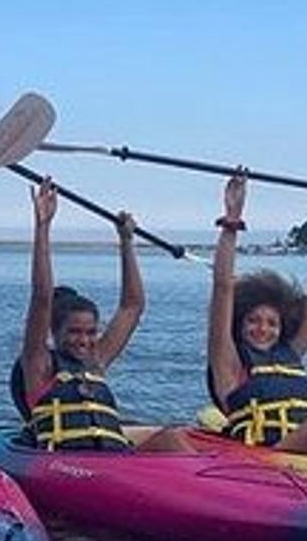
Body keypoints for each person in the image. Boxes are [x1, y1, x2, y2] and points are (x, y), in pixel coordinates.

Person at [11, 181, 195, 453]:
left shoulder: (96, 362)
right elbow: (41, 298)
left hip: (114, 461)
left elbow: (132, 306)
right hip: (68, 464)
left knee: (172, 439)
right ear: (55, 331)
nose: (84, 340)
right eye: (74, 332)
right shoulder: (38, 365)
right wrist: (43, 227)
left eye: (90, 332)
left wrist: (126, 241)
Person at [203, 174, 307, 458]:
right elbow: (222, 289)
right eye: (253, 321)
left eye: (272, 323)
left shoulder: (291, 352)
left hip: (306, 453)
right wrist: (232, 219)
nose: (263, 329)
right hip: (266, 457)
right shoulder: (229, 362)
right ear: (240, 324)